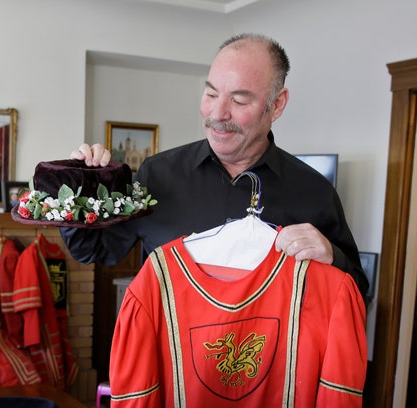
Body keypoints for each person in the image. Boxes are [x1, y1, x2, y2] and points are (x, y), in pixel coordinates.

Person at [61, 33, 369, 299]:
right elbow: (95, 251)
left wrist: (332, 256)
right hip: (170, 363)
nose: (217, 113)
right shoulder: (157, 175)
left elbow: (356, 288)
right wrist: (79, 187)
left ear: (277, 105)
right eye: (210, 93)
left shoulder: (314, 191)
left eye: (238, 100)